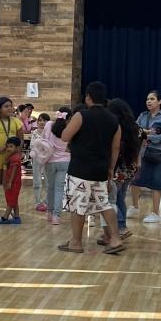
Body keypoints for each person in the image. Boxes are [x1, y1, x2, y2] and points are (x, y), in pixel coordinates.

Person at [58, 81, 123, 256]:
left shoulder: (81, 116)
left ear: (88, 97)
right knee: (104, 203)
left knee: (78, 205)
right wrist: (111, 169)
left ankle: (76, 242)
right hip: (101, 169)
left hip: (80, 169)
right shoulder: (114, 120)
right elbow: (116, 147)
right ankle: (115, 238)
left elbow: (65, 137)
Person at [129, 91, 161, 225]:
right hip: (143, 153)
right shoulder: (143, 115)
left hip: (159, 154)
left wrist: (148, 136)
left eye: (152, 99)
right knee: (135, 181)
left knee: (156, 183)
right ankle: (134, 206)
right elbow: (134, 130)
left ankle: (155, 213)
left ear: (159, 101)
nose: (149, 101)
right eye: (147, 99)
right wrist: (142, 133)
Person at [108, 99, 142, 233]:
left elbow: (115, 148)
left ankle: (121, 226)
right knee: (120, 197)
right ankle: (122, 226)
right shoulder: (137, 129)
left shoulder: (116, 128)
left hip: (118, 167)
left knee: (113, 199)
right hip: (131, 167)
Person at [42, 108, 71, 227]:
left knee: (50, 187)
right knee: (59, 189)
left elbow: (43, 139)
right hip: (65, 161)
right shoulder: (70, 128)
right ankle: (56, 216)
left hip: (49, 160)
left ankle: (49, 213)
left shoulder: (49, 124)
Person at [0, 137, 23, 224]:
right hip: (13, 182)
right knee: (14, 200)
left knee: (10, 201)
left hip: (14, 183)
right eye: (7, 146)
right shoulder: (13, 157)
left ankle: (5, 217)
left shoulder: (15, 158)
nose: (8, 149)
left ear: (17, 148)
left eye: (11, 146)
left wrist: (10, 182)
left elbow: (14, 171)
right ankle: (17, 217)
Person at [29, 112, 51, 212]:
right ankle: (38, 202)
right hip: (37, 159)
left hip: (48, 159)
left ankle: (47, 202)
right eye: (40, 120)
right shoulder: (35, 132)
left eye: (44, 120)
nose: (42, 122)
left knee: (48, 181)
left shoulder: (50, 133)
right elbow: (32, 145)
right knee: (37, 181)